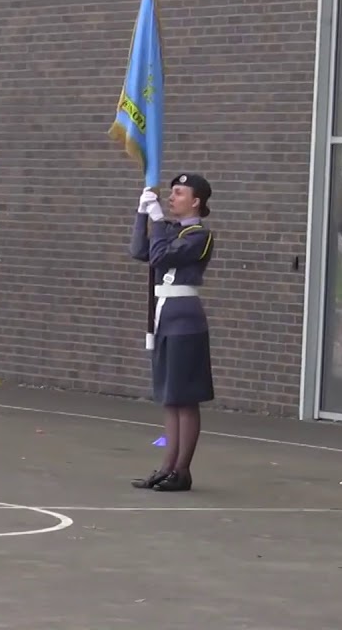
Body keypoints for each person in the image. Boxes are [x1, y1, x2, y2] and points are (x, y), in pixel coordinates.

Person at [128, 173, 217, 493]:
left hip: (184, 321)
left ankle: (182, 470)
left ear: (196, 202)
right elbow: (141, 251)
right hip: (165, 318)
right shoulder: (171, 232)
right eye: (172, 192)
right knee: (170, 397)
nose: (172, 197)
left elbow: (162, 256)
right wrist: (143, 215)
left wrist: (159, 223)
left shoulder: (199, 235)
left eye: (180, 193)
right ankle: (166, 466)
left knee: (185, 398)